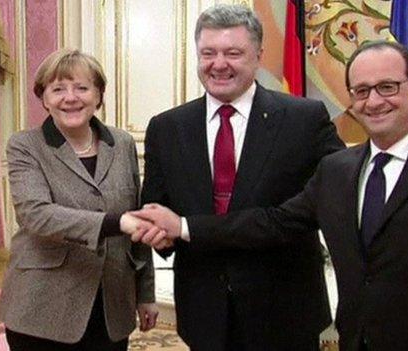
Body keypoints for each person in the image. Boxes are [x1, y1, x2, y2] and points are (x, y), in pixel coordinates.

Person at [131, 41, 408, 351]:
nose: (374, 100)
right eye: (362, 91)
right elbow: (273, 223)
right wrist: (182, 226)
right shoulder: (339, 170)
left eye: (388, 87)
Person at [130, 4, 344, 351]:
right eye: (208, 53)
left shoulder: (304, 119)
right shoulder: (167, 128)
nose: (219, 64)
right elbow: (156, 206)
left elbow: (324, 203)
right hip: (203, 311)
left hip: (285, 311)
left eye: (233, 53)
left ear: (258, 56)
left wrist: (183, 227)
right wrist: (157, 232)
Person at [0, 48, 158, 351]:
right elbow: (36, 214)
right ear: (44, 98)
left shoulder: (121, 143)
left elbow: (139, 221)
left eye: (82, 87)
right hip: (42, 308)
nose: (70, 97)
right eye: (58, 89)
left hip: (112, 305)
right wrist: (117, 222)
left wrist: (146, 293)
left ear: (99, 95)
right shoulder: (25, 145)